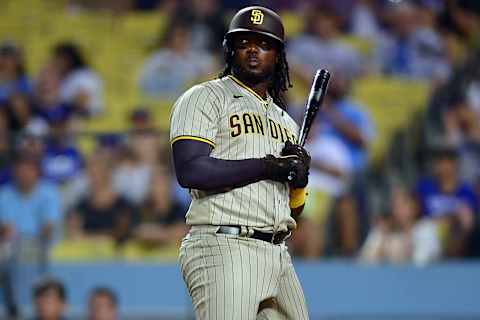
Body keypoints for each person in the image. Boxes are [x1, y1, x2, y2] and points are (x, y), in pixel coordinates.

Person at [170, 6, 310, 319]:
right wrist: (267, 166)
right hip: (224, 245)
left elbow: (293, 211)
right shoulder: (204, 97)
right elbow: (190, 170)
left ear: (278, 55)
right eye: (244, 42)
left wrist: (298, 183)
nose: (253, 50)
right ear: (229, 49)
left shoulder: (286, 122)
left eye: (263, 44)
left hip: (277, 251)